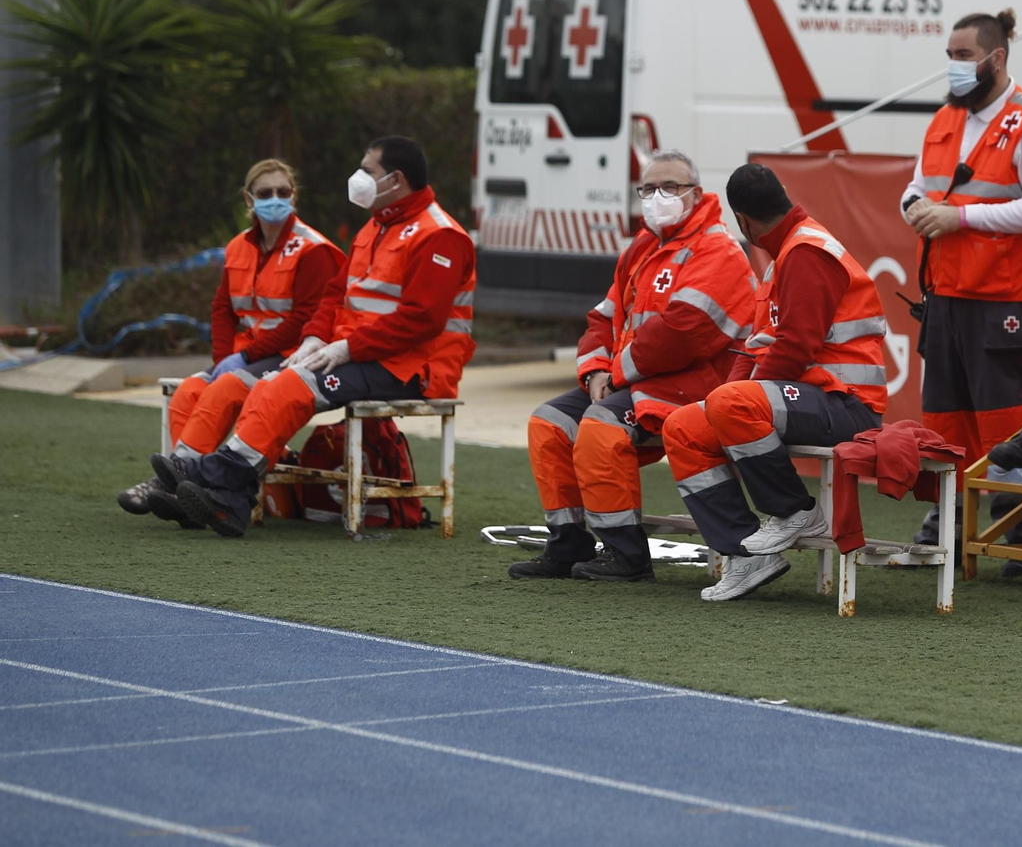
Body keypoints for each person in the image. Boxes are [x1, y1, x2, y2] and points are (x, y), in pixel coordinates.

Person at [148, 135, 477, 537]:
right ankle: (227, 501)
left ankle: (212, 476)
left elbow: (422, 320)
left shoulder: (439, 235)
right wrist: (315, 339)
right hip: (367, 356)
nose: (358, 177)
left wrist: (347, 347)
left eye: (367, 170)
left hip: (415, 368)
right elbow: (335, 294)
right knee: (273, 384)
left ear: (396, 179)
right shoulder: (377, 226)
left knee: (289, 386)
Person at [512, 150, 756, 583]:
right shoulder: (642, 248)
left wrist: (617, 374)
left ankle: (627, 555)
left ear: (696, 194)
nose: (657, 197)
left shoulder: (718, 250)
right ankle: (568, 542)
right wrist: (593, 372)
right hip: (638, 381)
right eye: (648, 188)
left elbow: (686, 333)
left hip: (696, 385)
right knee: (548, 422)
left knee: (601, 425)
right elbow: (603, 318)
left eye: (671, 188)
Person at [662, 163, 887, 602]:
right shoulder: (787, 255)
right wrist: (717, 402)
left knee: (729, 405)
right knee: (683, 427)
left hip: (847, 405)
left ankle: (796, 511)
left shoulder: (805, 251)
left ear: (742, 221)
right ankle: (744, 557)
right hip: (807, 397)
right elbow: (757, 349)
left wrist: (732, 400)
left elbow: (795, 348)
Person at [899, 8, 1022, 565]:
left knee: (1008, 417)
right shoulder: (946, 119)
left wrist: (959, 218)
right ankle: (947, 518)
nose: (952, 67)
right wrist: (916, 207)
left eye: (963, 56)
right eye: (949, 56)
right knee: (946, 415)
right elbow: (917, 188)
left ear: (996, 58)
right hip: (946, 293)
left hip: (1004, 296)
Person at [116, 159, 344, 528]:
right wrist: (224, 357)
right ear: (248, 198)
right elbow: (222, 308)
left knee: (224, 387)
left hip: (292, 356)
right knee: (190, 390)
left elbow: (306, 319)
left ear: (294, 196)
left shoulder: (312, 249)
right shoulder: (239, 247)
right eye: (265, 193)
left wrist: (242, 357)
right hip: (246, 353)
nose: (275, 199)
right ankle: (191, 495)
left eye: (283, 192)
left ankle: (174, 484)